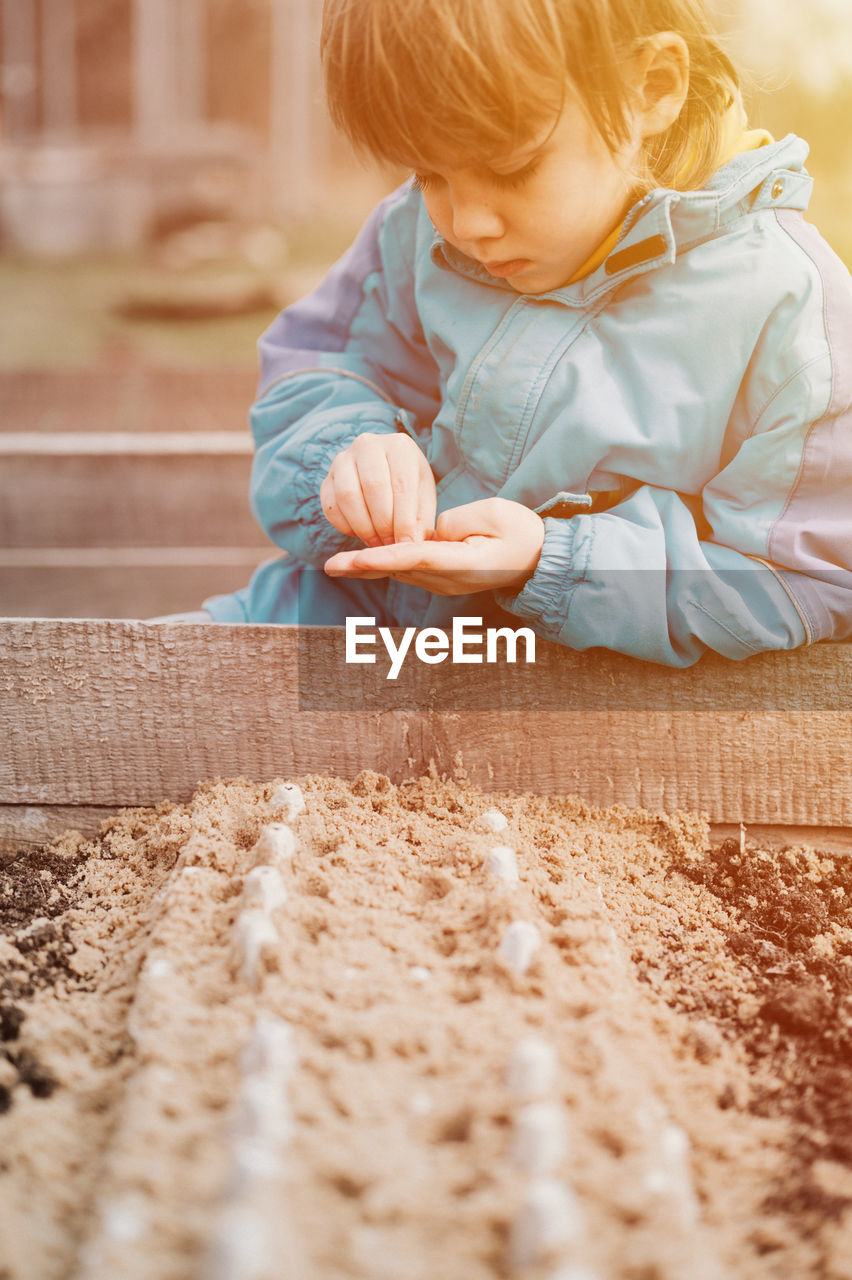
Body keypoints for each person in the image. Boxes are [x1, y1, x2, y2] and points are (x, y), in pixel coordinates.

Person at [198, 0, 852, 666]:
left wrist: (554, 561)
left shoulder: (786, 312)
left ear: (652, 87)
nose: (468, 221)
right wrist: (347, 452)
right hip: (335, 626)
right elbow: (318, 367)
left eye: (511, 170)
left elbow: (807, 580)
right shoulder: (414, 230)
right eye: (429, 174)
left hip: (561, 706)